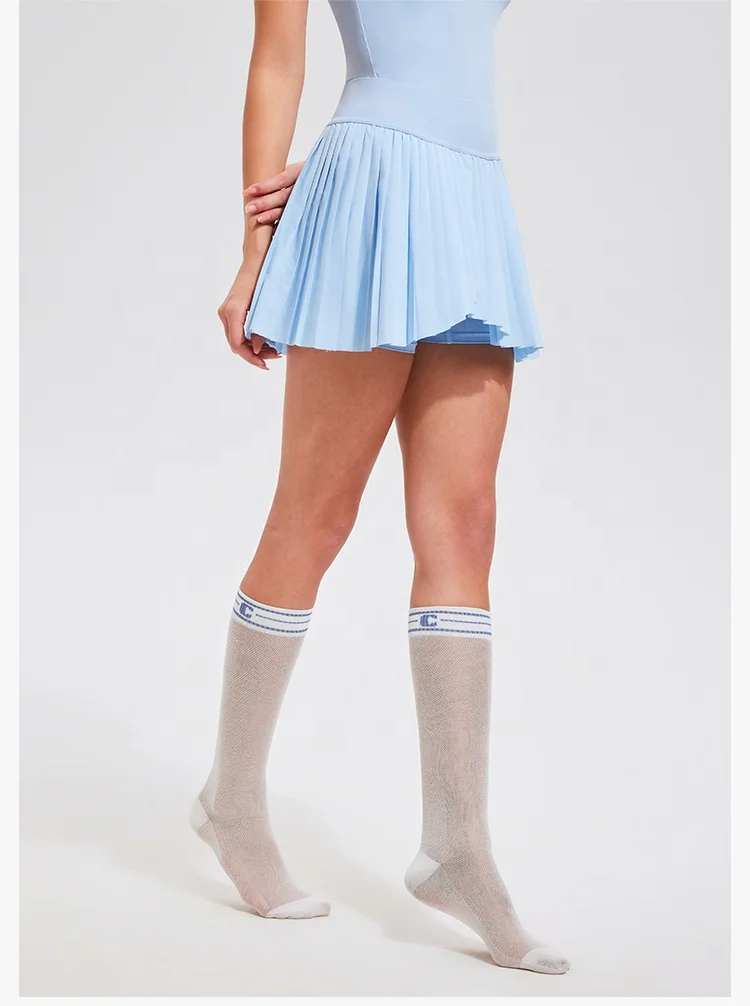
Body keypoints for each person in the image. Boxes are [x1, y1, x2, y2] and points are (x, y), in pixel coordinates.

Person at [192, 0, 569, 975]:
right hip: (369, 187)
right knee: (316, 513)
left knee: (465, 524)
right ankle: (233, 801)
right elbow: (278, 55)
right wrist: (255, 250)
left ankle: (458, 843)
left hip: (470, 192)